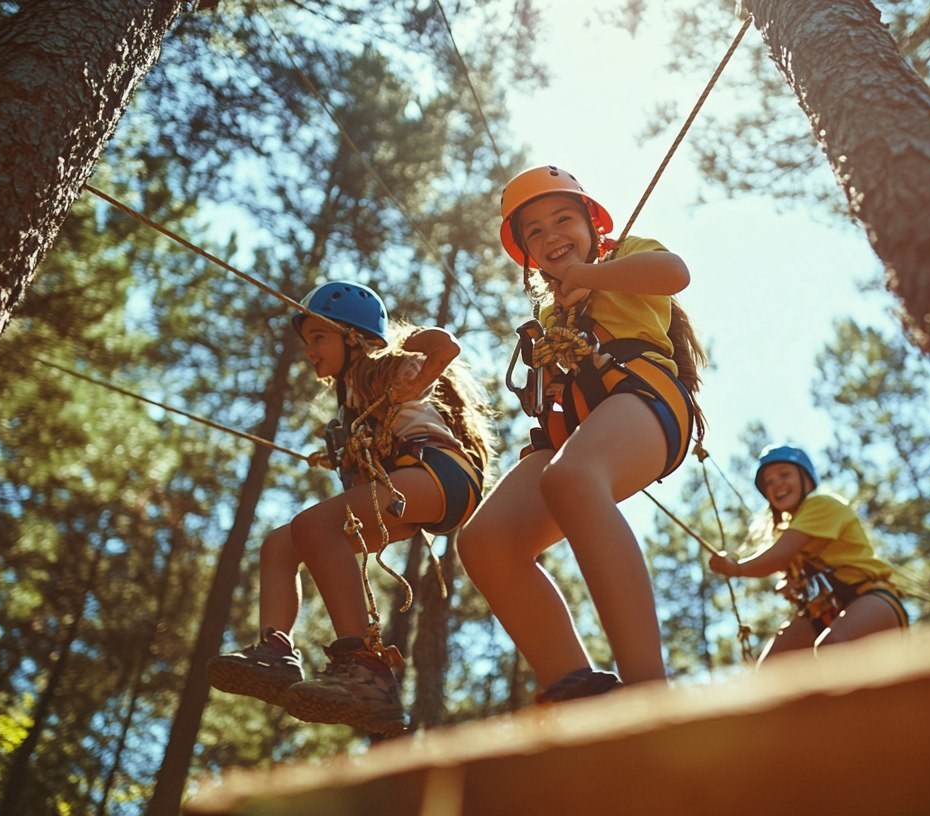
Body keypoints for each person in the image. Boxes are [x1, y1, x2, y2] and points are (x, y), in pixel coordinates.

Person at [458, 165, 708, 703]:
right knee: (485, 541)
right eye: (535, 232)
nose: (552, 236)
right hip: (579, 426)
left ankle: (648, 690)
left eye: (563, 219)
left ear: (593, 223)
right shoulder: (552, 314)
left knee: (571, 477)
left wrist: (591, 277)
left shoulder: (624, 256)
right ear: (527, 253)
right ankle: (576, 689)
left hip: (645, 397)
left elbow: (673, 273)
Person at [207, 281, 493, 736]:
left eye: (319, 337)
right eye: (307, 341)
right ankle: (276, 651)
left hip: (438, 473)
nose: (309, 351)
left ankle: (364, 667)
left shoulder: (375, 370)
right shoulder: (349, 405)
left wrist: (406, 353)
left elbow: (444, 349)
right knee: (282, 542)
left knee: (315, 526)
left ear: (354, 338)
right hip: (409, 489)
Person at [709, 444, 908, 662]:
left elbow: (777, 557)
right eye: (769, 482)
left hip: (870, 599)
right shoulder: (786, 531)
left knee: (832, 646)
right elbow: (785, 562)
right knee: (772, 667)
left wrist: (737, 569)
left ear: (806, 479)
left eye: (784, 474)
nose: (776, 484)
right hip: (825, 612)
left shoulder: (820, 505)